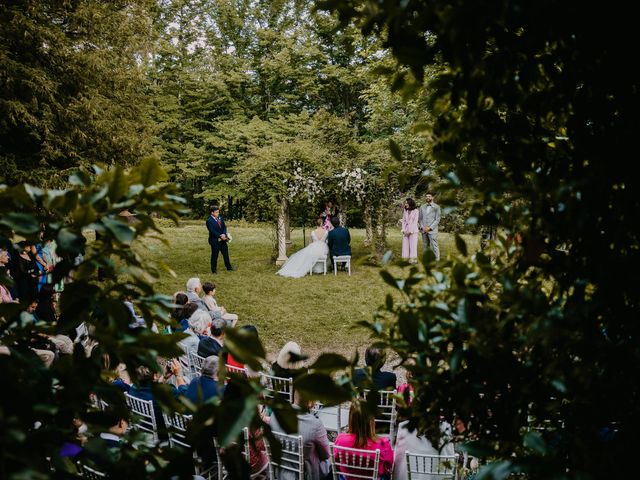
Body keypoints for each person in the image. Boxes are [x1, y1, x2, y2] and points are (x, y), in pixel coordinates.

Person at [270, 390, 331, 480]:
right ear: (311, 402)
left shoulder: (275, 414)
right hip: (306, 475)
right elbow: (326, 454)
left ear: (294, 397)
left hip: (279, 472)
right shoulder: (315, 424)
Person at [334, 401, 394, 479]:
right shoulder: (383, 443)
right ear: (371, 420)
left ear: (351, 418)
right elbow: (389, 465)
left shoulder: (340, 440)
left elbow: (336, 462)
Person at [206, 205, 233, 273]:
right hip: (214, 240)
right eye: (216, 212)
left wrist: (224, 234)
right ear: (212, 213)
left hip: (223, 239)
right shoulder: (209, 221)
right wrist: (220, 236)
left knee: (225, 253)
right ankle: (214, 270)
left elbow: (224, 227)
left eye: (218, 212)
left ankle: (229, 267)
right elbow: (212, 231)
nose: (218, 214)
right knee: (215, 255)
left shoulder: (220, 218)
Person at [418, 192, 441, 261]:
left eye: (429, 196)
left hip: (432, 230)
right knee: (425, 245)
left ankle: (437, 260)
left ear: (432, 197)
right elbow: (420, 219)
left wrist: (430, 228)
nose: (427, 197)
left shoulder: (437, 207)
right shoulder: (422, 207)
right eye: (426, 196)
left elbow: (437, 219)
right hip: (424, 230)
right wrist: (422, 227)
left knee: (434, 246)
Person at [401, 198, 420, 264]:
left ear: (410, 203)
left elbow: (415, 222)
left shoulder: (416, 211)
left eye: (406, 203)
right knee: (405, 245)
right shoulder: (405, 210)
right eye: (405, 203)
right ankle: (405, 259)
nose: (405, 204)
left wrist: (410, 231)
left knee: (413, 246)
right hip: (405, 231)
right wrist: (403, 229)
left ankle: (413, 260)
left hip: (413, 231)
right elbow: (403, 221)